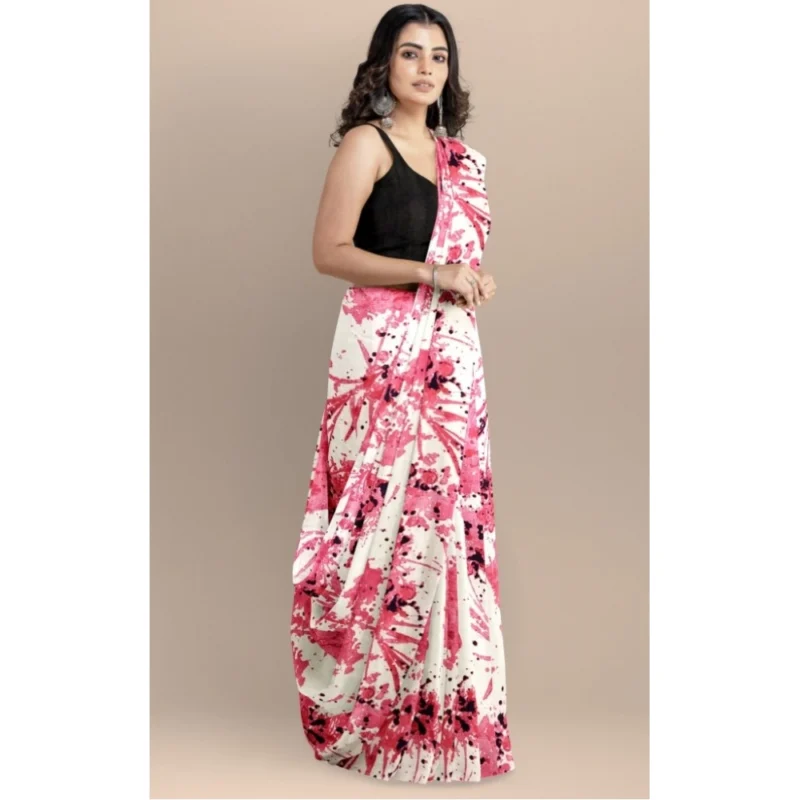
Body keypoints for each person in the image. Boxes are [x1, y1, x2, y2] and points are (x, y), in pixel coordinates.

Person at [289, 3, 514, 783]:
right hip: (378, 358)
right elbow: (329, 251)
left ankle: (442, 716)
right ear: (384, 63)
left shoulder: (462, 160)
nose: (426, 68)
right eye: (411, 53)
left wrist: (470, 279)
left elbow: (460, 262)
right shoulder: (368, 143)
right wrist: (431, 273)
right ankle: (367, 712)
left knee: (445, 522)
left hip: (450, 365)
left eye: (439, 56)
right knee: (379, 521)